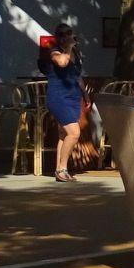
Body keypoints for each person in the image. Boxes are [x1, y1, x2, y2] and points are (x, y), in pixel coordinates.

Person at [38, 23, 86, 181]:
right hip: (59, 98)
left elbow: (77, 76)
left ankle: (59, 169)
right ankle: (63, 168)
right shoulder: (55, 51)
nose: (66, 36)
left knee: (64, 135)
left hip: (73, 98)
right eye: (62, 34)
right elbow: (62, 63)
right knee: (74, 133)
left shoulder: (75, 54)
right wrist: (69, 48)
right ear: (57, 37)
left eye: (69, 33)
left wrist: (86, 95)